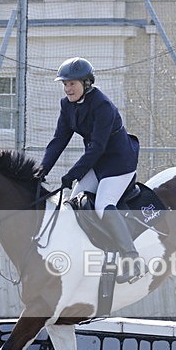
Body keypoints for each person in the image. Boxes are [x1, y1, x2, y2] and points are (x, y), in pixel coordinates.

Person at [38, 57, 143, 284]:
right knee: (73, 204)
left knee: (104, 205)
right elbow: (59, 140)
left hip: (119, 162)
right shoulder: (66, 105)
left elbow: (97, 147)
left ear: (86, 83)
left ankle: (133, 259)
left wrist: (72, 174)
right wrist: (41, 170)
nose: (67, 88)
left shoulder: (102, 105)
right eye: (65, 84)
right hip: (97, 163)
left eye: (72, 84)